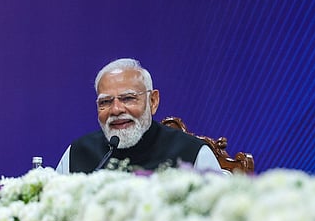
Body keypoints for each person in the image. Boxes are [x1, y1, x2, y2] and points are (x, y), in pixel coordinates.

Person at [56, 58, 224, 174]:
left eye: (128, 98)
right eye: (105, 102)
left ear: (153, 101)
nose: (115, 110)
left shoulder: (192, 153)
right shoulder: (78, 153)